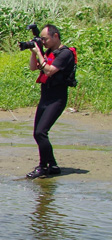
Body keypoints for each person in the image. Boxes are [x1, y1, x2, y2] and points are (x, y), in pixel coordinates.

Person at [27, 24, 76, 179]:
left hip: (57, 98)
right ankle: (52, 165)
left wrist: (40, 54)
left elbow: (48, 70)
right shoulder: (48, 52)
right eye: (41, 39)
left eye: (45, 39)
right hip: (45, 97)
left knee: (41, 132)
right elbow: (33, 68)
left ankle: (42, 167)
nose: (43, 42)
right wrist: (35, 53)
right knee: (37, 133)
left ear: (55, 36)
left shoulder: (65, 54)